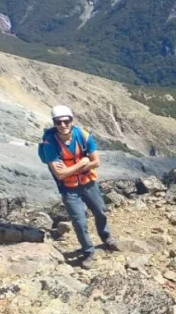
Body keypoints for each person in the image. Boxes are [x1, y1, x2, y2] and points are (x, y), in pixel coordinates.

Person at [39, 105, 119, 269]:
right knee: (79, 221)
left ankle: (106, 237)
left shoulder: (82, 135)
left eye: (66, 121)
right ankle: (88, 251)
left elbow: (96, 162)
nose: (62, 125)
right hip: (69, 188)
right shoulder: (49, 144)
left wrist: (71, 169)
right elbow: (60, 174)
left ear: (71, 121)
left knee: (100, 211)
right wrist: (83, 163)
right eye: (58, 122)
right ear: (54, 123)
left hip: (89, 183)